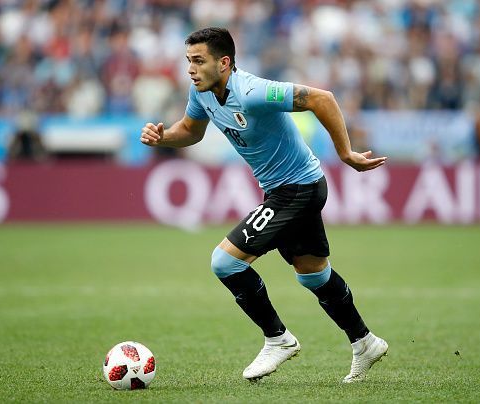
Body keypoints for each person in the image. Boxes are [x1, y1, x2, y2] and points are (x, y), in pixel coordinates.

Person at [140, 27, 388, 383]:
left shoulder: (253, 91)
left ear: (224, 63)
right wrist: (163, 137)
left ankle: (278, 339)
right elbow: (192, 131)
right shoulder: (202, 93)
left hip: (297, 188)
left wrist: (346, 153)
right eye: (188, 61)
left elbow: (323, 98)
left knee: (225, 262)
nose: (190, 70)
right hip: (285, 190)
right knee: (314, 274)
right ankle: (365, 342)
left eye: (199, 61)